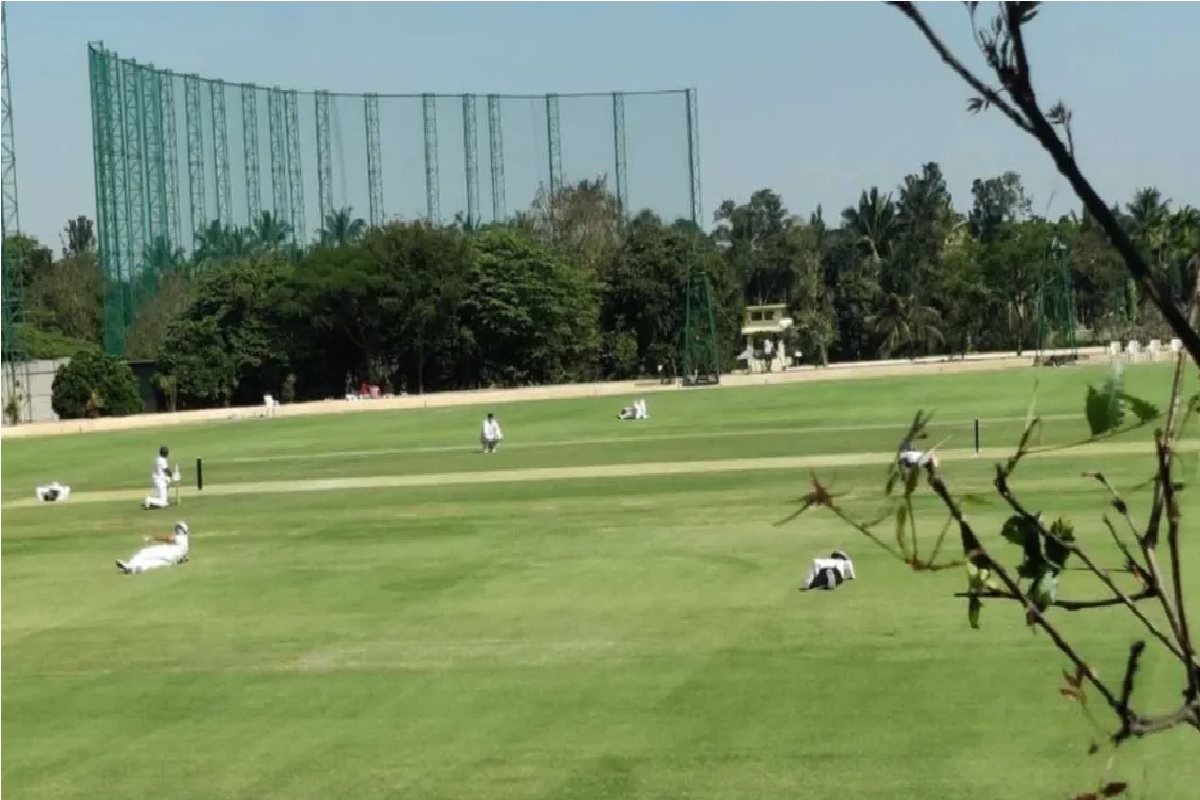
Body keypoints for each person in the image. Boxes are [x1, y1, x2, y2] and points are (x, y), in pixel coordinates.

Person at [116, 521, 191, 575]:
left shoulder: (181, 537)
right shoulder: (186, 543)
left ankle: (129, 565)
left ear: (180, 529)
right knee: (151, 562)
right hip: (171, 561)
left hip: (166, 552)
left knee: (145, 553)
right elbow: (185, 557)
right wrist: (182, 560)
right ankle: (134, 569)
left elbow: (168, 538)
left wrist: (153, 538)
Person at [143, 445, 175, 510]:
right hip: (160, 481)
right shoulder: (162, 460)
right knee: (163, 503)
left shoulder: (158, 459)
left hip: (159, 480)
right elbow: (166, 470)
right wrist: (172, 475)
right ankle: (149, 500)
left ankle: (153, 500)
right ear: (165, 453)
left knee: (165, 501)